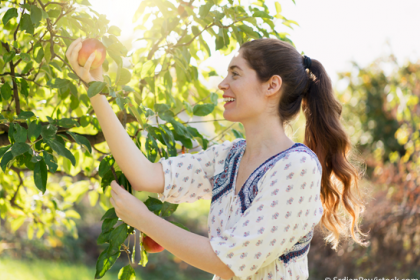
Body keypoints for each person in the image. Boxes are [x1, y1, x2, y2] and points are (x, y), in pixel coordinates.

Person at [65, 37, 368, 280]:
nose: (222, 84)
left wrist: (143, 219)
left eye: (235, 74)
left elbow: (228, 262)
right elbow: (145, 175)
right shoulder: (229, 156)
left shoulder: (297, 168)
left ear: (272, 86)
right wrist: (96, 88)